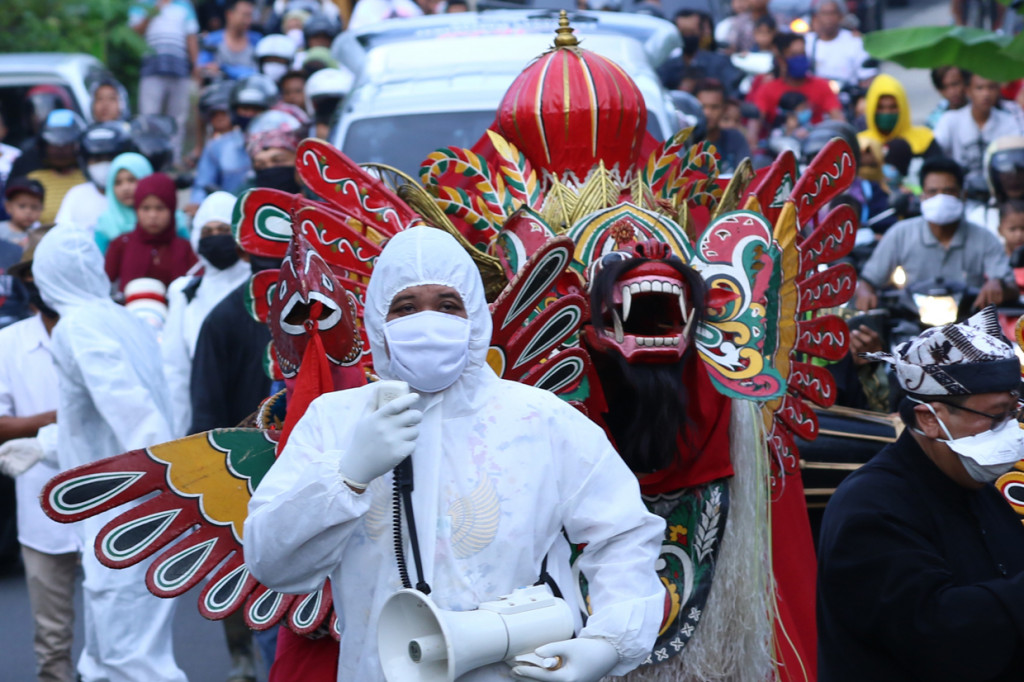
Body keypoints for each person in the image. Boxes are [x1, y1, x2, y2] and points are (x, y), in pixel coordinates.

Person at [243, 226, 666, 682]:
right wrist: (346, 476)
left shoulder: (539, 420)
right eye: (405, 308)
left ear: (475, 318)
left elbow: (624, 533)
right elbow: (272, 562)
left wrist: (608, 641)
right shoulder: (335, 422)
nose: (427, 322)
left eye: (447, 305)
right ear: (378, 322)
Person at [817, 307, 1024, 681]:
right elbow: (936, 634)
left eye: (1014, 413)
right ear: (930, 418)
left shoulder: (978, 485)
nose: (1009, 430)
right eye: (996, 416)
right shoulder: (869, 509)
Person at [17, 226, 186, 681]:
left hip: (126, 513)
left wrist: (157, 479)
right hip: (140, 506)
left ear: (48, 277)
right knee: (117, 654)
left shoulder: (75, 327)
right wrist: (44, 446)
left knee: (130, 659)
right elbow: (95, 424)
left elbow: (130, 408)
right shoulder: (123, 318)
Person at [0, 229, 81, 682]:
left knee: (120, 633)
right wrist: (65, 416)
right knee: (51, 643)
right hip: (40, 511)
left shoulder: (100, 331)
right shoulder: (9, 343)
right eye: (30, 274)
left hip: (107, 505)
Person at [855, 157, 1017, 310]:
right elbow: (869, 280)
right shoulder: (900, 234)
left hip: (967, 325)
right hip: (911, 324)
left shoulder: (984, 238)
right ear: (922, 197)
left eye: (949, 191)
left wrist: (997, 284)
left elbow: (1011, 287)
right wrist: (865, 292)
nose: (940, 198)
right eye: (933, 192)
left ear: (963, 195)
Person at [163, 191, 250, 438]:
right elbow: (175, 370)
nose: (215, 238)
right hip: (202, 414)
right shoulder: (186, 292)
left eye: (223, 230)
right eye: (207, 232)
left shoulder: (258, 286)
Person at [188, 74, 276, 211]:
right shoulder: (217, 147)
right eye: (245, 109)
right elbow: (201, 187)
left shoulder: (282, 147)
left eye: (256, 110)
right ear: (234, 110)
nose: (250, 115)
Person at [129, 0, 201, 163]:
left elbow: (191, 37)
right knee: (148, 118)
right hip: (152, 69)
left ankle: (172, 161)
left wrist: (196, 65)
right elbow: (135, 31)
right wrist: (153, 11)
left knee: (177, 120)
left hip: (180, 70)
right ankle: (146, 159)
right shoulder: (141, 4)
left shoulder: (184, 5)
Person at [105, 172, 197, 292]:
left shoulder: (185, 249)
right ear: (136, 209)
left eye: (160, 208)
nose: (152, 215)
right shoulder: (121, 244)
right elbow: (103, 285)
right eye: (145, 208)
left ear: (172, 208)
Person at [934, 73, 1024, 177]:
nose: (986, 94)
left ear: (998, 90)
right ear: (968, 91)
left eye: (991, 88)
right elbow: (936, 149)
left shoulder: (1009, 121)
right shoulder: (950, 119)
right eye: (979, 88)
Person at [749, 33, 843, 130]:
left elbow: (839, 122)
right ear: (781, 60)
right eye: (794, 55)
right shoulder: (767, 89)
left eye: (802, 54)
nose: (800, 58)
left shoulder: (822, 85)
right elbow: (754, 128)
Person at [54, 121, 134, 233]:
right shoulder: (77, 195)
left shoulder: (132, 196)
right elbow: (60, 233)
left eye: (109, 159)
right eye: (97, 160)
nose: (104, 165)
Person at [658, 10, 742, 97]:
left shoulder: (720, 63)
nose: (688, 36)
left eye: (692, 32)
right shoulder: (667, 67)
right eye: (684, 33)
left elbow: (733, 94)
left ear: (701, 32)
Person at [857, 74, 938, 161]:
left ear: (903, 107)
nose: (887, 112)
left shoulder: (924, 139)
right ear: (871, 109)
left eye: (893, 107)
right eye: (880, 107)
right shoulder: (861, 144)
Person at [26, 110, 87, 226]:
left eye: (66, 145)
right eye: (54, 145)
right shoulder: (33, 180)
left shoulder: (88, 178)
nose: (60, 150)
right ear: (43, 146)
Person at [93, 152, 154, 254]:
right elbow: (98, 263)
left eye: (132, 180)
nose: (125, 188)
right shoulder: (106, 222)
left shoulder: (168, 218)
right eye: (118, 183)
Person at [804, 0, 870, 84]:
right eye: (824, 13)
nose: (828, 18)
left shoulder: (855, 42)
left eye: (832, 13)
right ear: (816, 17)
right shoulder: (807, 41)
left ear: (841, 16)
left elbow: (866, 76)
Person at [198, 0, 261, 81]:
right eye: (244, 15)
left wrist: (223, 68)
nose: (248, 21)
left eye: (250, 16)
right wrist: (208, 69)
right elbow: (200, 69)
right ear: (229, 14)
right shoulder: (212, 41)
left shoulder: (257, 40)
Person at [1, 177, 44, 249]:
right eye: (22, 206)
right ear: (8, 207)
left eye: (34, 207)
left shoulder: (40, 235)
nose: (28, 211)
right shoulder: (1, 230)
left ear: (41, 209)